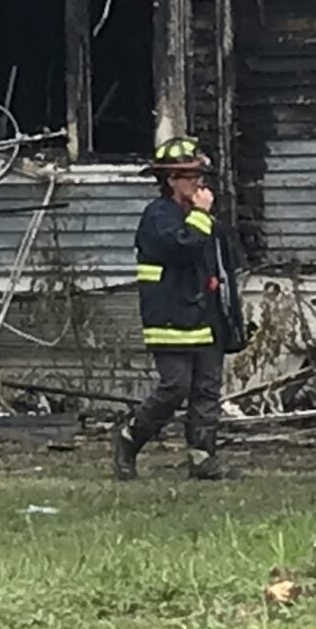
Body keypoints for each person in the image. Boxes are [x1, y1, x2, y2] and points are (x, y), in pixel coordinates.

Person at [111, 137, 233, 483]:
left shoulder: (199, 217)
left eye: (199, 175)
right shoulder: (158, 216)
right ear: (170, 180)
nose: (197, 183)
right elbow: (183, 248)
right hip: (170, 319)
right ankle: (128, 440)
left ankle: (203, 459)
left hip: (205, 319)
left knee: (207, 389)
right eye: (189, 176)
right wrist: (201, 215)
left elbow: (217, 263)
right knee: (175, 387)